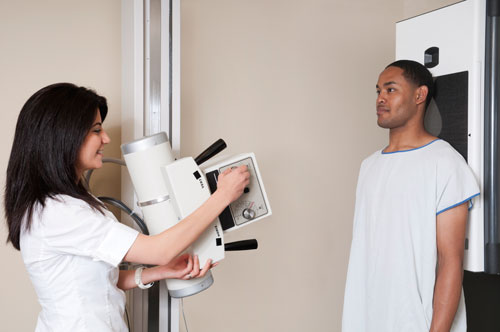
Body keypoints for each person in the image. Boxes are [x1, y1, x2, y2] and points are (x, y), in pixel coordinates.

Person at [4, 82, 250, 331]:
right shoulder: (59, 212)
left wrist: (159, 272)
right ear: (63, 137)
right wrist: (222, 196)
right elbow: (159, 250)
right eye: (96, 130)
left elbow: (96, 279)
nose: (106, 138)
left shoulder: (64, 205)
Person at [342, 60, 479, 332]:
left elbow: (450, 261)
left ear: (420, 95)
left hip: (417, 323)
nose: (380, 98)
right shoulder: (369, 166)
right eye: (378, 91)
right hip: (365, 319)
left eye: (390, 90)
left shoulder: (445, 162)